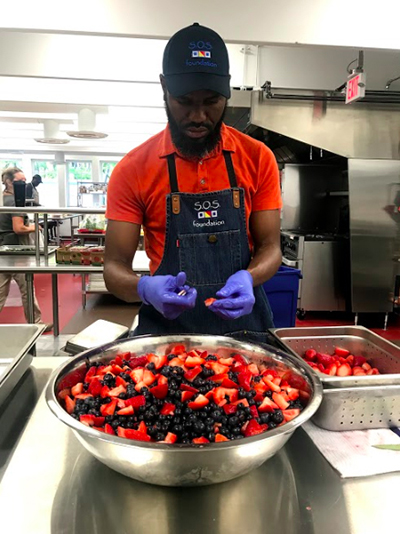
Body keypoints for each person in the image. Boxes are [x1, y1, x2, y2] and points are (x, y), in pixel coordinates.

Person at [104, 23, 282, 344]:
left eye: (211, 101)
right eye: (185, 101)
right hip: (167, 337)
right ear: (163, 88)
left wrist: (249, 277)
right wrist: (144, 288)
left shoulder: (258, 158)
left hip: (246, 336)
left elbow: (270, 247)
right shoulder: (132, 169)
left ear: (227, 91)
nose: (199, 116)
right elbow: (114, 269)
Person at [0, 167, 52, 331]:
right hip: (16, 251)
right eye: (19, 182)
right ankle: (36, 323)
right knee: (27, 288)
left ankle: (36, 322)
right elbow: (18, 228)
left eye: (24, 181)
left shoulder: (3, 199)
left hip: (3, 248)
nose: (24, 184)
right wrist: (35, 227)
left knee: (1, 290)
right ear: (8, 182)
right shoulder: (14, 202)